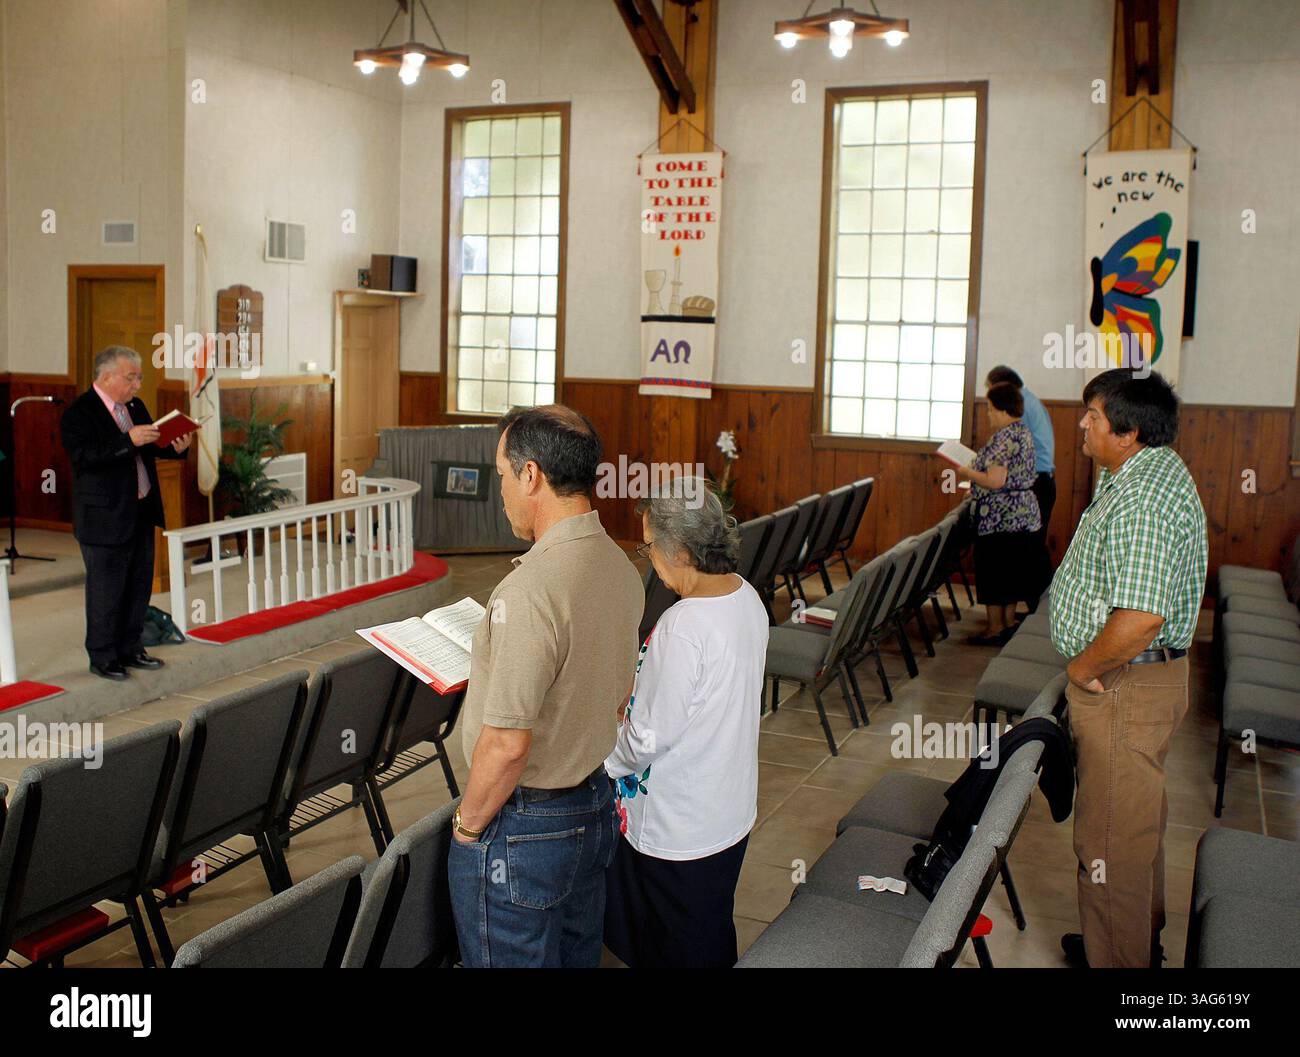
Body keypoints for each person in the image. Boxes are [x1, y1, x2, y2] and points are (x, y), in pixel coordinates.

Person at [447, 404, 644, 968]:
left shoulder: (529, 590)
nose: (502, 489)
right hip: (594, 803)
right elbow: (614, 694)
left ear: (531, 475)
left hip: (527, 829)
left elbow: (508, 745)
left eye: (503, 475)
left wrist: (467, 827)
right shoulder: (620, 566)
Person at [1050, 368, 1207, 969]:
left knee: (1110, 838)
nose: (1082, 424)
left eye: (1092, 415)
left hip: (1125, 681)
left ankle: (1118, 965)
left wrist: (1083, 669)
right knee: (1136, 829)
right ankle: (1131, 943)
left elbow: (1141, 617)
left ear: (1129, 429)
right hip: (1142, 681)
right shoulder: (1148, 471)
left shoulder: (1140, 497)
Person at [603, 478, 767, 968]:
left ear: (678, 548)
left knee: (676, 945)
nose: (648, 555)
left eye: (649, 544)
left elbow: (647, 739)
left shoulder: (683, 625)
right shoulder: (745, 596)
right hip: (726, 807)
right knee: (708, 928)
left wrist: (599, 750)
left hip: (681, 824)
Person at [60, 346, 191, 680]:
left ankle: (132, 648)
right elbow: (84, 458)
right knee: (106, 591)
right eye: (131, 377)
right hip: (104, 518)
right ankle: (103, 657)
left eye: (139, 377)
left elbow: (151, 445)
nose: (137, 385)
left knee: (138, 586)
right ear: (106, 377)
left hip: (141, 511)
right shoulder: (80, 412)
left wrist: (178, 447)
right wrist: (127, 440)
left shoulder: (135, 406)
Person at [951, 383, 1041, 645]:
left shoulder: (1003, 437)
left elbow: (996, 480)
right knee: (1009, 576)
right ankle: (1006, 624)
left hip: (1000, 518)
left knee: (993, 573)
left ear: (1003, 410)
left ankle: (993, 628)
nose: (989, 415)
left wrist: (968, 474)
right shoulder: (1022, 431)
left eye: (991, 409)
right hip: (1020, 515)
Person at [986, 365, 1055, 604]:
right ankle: (1037, 609)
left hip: (1033, 484)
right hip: (1040, 481)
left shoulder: (1020, 407)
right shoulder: (1032, 400)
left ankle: (1041, 610)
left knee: (1028, 551)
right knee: (1031, 549)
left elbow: (1008, 456)